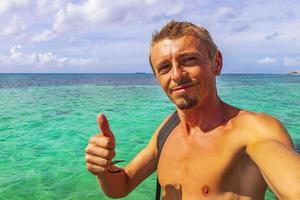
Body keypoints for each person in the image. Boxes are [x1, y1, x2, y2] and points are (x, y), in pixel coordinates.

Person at [85, 20, 300, 199]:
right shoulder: (167, 130)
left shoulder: (253, 131)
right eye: (164, 67)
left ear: (216, 63)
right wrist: (104, 170)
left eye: (188, 60)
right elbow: (122, 185)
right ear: (157, 77)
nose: (177, 75)